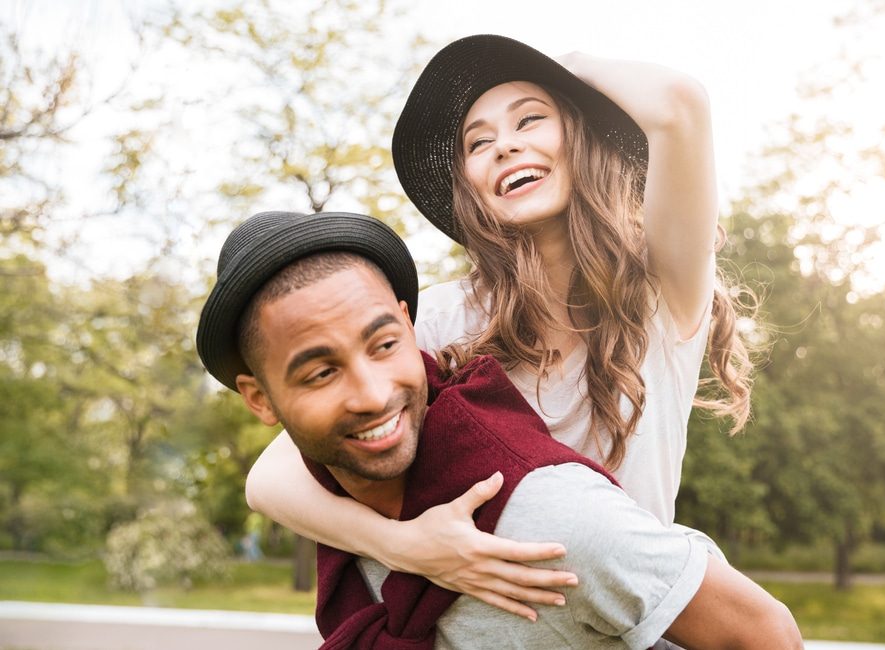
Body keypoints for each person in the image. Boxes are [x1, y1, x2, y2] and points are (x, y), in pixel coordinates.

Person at [245, 34, 755, 619]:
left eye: (530, 120)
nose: (505, 147)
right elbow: (269, 479)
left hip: (625, 621)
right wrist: (409, 548)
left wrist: (566, 70)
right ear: (472, 187)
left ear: (577, 136)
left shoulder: (661, 289)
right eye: (479, 142)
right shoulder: (444, 316)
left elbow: (680, 104)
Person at [196, 210, 800, 649]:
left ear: (413, 329)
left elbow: (766, 635)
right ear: (260, 399)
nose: (373, 394)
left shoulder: (552, 521)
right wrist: (399, 546)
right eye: (321, 372)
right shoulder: (339, 510)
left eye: (384, 345)